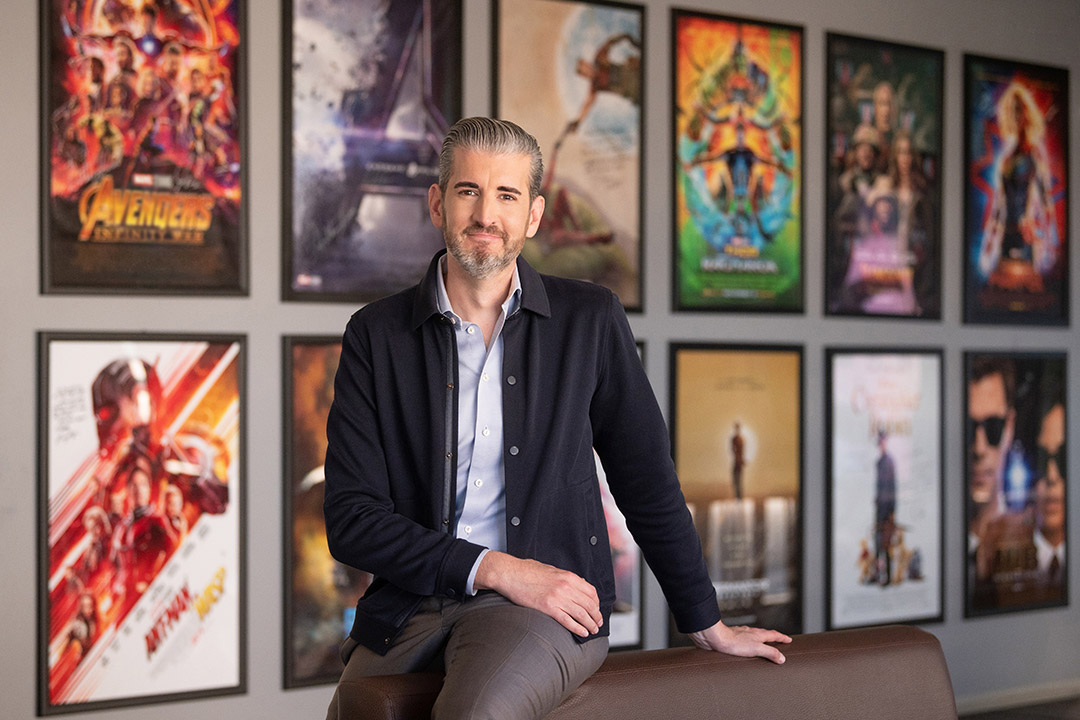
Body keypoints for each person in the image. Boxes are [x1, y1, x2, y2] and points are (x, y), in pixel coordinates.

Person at [323, 117, 789, 720]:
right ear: (437, 202)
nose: (486, 214)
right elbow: (351, 520)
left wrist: (705, 620)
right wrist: (496, 569)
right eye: (468, 191)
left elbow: (645, 478)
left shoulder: (590, 320)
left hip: (549, 604)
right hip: (412, 603)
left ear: (534, 216)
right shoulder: (375, 334)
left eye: (507, 195)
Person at [873, 430, 897, 586]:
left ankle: (887, 577)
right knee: (877, 544)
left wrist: (891, 511)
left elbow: (891, 487)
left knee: (886, 544)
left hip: (886, 510)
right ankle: (879, 575)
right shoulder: (880, 461)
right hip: (880, 508)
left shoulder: (888, 462)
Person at [730, 421, 746, 500]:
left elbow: (736, 450)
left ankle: (739, 497)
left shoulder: (738, 439)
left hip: (737, 463)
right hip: (737, 462)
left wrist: (739, 460)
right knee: (737, 480)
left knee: (737, 480)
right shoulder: (739, 439)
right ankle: (738, 497)